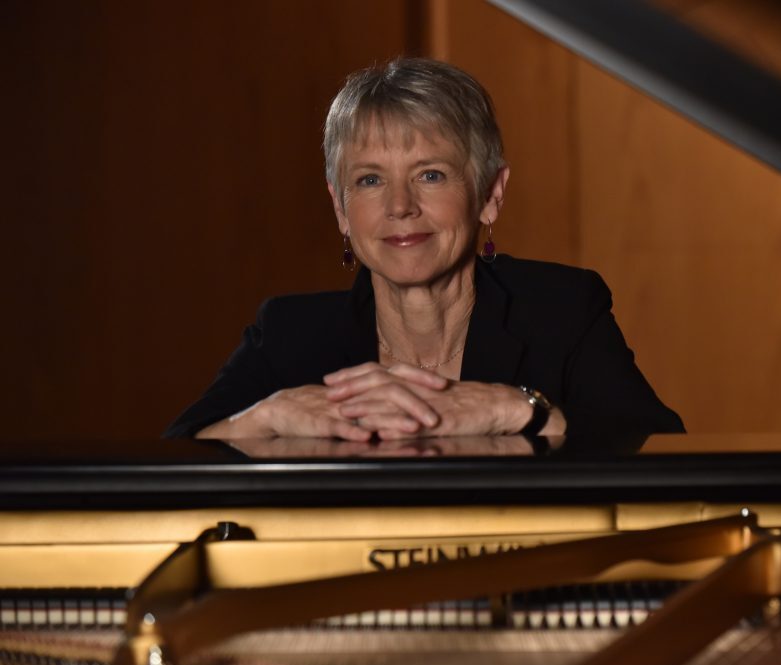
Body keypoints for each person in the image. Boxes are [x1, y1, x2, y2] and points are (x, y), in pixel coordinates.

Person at [165, 58, 683, 441]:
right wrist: (265, 417)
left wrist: (518, 410)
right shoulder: (288, 334)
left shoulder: (563, 308)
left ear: (489, 194)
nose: (400, 206)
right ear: (341, 208)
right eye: (369, 180)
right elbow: (168, 461)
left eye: (430, 175)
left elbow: (661, 450)